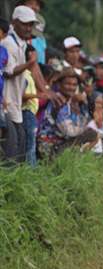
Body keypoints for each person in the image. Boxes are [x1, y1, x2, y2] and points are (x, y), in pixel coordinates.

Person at [0, 5, 38, 162]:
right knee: (11, 153)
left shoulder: (20, 44)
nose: (28, 28)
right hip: (7, 104)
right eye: (25, 24)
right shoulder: (8, 43)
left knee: (19, 149)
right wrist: (30, 64)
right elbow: (9, 71)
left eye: (31, 25)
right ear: (14, 22)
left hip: (16, 104)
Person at [38, 68, 98, 156]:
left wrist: (83, 103)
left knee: (93, 134)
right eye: (68, 84)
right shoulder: (58, 101)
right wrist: (84, 130)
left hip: (61, 143)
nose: (71, 88)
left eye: (74, 85)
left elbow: (86, 120)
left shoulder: (72, 102)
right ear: (59, 84)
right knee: (89, 135)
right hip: (48, 144)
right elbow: (69, 131)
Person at [22, 45, 39, 166]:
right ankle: (30, 169)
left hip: (31, 113)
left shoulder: (28, 74)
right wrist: (38, 95)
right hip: (27, 112)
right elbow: (22, 95)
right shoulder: (24, 75)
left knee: (31, 144)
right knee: (30, 145)